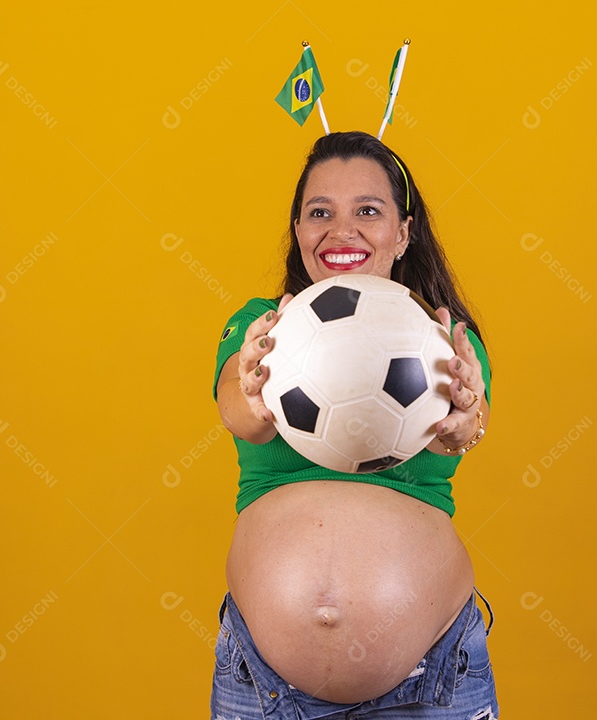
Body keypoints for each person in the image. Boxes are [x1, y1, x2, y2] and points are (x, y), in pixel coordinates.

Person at [210, 131, 498, 719]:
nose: (342, 231)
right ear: (298, 231)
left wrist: (464, 419)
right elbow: (237, 412)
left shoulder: (442, 338)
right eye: (320, 212)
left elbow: (469, 425)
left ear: (403, 231)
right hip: (266, 687)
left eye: (368, 210)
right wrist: (254, 395)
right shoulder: (261, 328)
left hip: (432, 675)